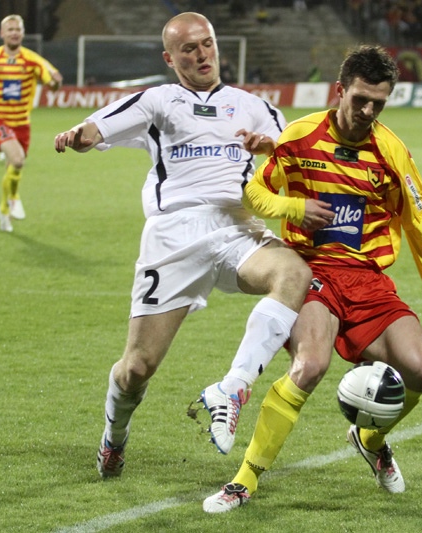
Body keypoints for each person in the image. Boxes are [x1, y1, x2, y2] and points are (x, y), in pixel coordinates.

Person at [203, 45, 422, 513]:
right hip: (313, 274)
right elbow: (254, 192)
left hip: (368, 279)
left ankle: (370, 441)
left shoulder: (393, 153)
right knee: (310, 366)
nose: (368, 111)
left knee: (421, 368)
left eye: (378, 103)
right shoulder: (300, 136)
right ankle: (244, 481)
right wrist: (294, 208)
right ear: (340, 91)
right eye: (360, 99)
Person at [54, 12, 316, 477]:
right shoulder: (159, 100)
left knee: (293, 273)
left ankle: (233, 388)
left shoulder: (253, 106)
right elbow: (99, 127)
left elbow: (297, 156)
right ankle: (114, 437)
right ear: (170, 58)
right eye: (189, 48)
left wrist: (269, 149)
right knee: (137, 368)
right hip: (173, 237)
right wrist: (79, 137)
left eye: (207, 43)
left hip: (237, 227)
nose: (202, 54)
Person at [0, 14, 63, 232]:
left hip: (22, 122)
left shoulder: (32, 59)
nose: (14, 33)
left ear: (22, 33)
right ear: (2, 33)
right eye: (10, 29)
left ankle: (3, 209)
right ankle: (13, 198)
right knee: (18, 160)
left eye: (17, 29)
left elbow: (52, 83)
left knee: (13, 167)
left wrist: (56, 83)